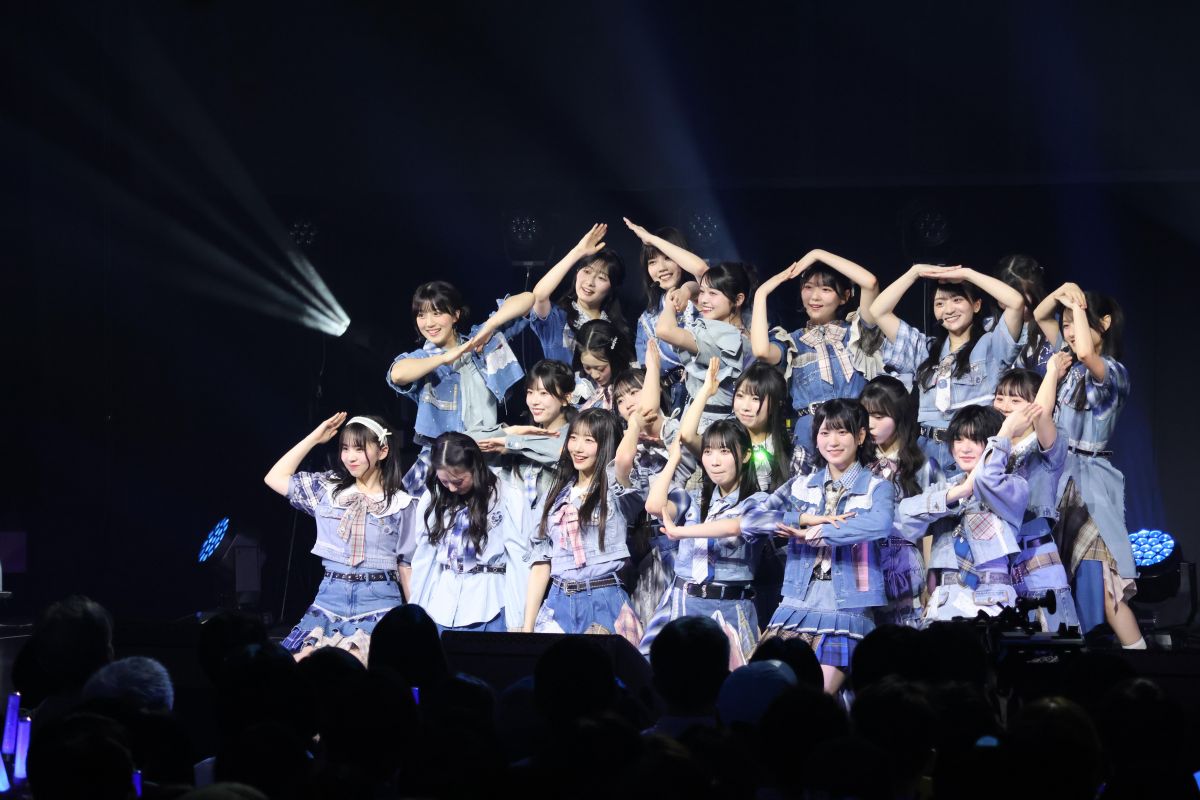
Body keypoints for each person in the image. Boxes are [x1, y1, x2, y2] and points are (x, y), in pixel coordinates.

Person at [1034, 284, 1142, 647]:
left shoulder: (1112, 372)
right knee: (1055, 581)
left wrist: (1078, 307)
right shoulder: (1066, 366)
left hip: (1090, 486)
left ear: (1104, 323)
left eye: (1075, 322)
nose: (1068, 331)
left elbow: (1084, 350)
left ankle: (1142, 665)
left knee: (1104, 585)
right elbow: (1039, 314)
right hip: (1055, 479)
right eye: (1065, 324)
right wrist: (1063, 292)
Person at [265, 413, 415, 663]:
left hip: (378, 602)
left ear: (383, 451)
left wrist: (416, 619)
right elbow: (274, 478)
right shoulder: (328, 490)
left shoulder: (402, 504)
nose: (350, 457)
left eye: (359, 448)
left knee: (360, 667)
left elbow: (406, 567)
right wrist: (314, 438)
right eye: (345, 448)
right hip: (329, 599)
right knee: (302, 663)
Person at [871, 264, 1025, 475]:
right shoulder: (924, 350)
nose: (949, 310)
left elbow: (1016, 302)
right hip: (926, 451)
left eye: (957, 300)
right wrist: (914, 272)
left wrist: (967, 274)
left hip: (971, 450)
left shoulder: (992, 346)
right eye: (940, 303)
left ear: (976, 305)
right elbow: (878, 311)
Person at [386, 281, 531, 495]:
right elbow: (397, 374)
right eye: (421, 315)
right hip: (443, 465)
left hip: (485, 455)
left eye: (437, 313)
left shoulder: (479, 342)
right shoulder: (424, 359)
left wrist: (489, 327)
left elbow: (528, 299)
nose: (429, 323)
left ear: (456, 315)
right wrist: (444, 359)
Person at [643, 419, 767, 668]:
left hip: (729, 605)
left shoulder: (758, 502)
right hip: (682, 601)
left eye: (725, 451)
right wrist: (673, 460)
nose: (714, 461)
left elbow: (733, 527)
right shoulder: (693, 498)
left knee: (728, 681)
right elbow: (654, 506)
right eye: (708, 452)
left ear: (745, 455)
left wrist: (681, 532)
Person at [896, 405, 1030, 626]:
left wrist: (1005, 432)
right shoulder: (945, 490)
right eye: (958, 440)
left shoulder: (1013, 486)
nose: (965, 448)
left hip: (992, 600)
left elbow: (987, 479)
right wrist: (959, 492)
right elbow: (903, 518)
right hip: (945, 603)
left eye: (975, 440)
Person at [523, 409, 646, 645]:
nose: (577, 448)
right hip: (557, 601)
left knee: (605, 668)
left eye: (589, 440)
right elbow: (541, 562)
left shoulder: (614, 492)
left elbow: (622, 461)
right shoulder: (557, 495)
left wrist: (634, 425)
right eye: (573, 438)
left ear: (606, 445)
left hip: (603, 599)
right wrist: (528, 627)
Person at [751, 249, 882, 467]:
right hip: (810, 431)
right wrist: (761, 293)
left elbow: (870, 283)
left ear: (845, 296)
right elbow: (761, 351)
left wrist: (817, 254)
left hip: (852, 426)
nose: (814, 297)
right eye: (808, 287)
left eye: (826, 289)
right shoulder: (792, 341)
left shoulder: (855, 334)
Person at [406, 433, 532, 633]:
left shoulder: (506, 497)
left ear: (475, 467)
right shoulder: (433, 498)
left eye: (458, 481)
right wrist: (416, 614)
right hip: (441, 606)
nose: (451, 488)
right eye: (445, 481)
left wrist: (518, 621)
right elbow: (424, 559)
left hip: (489, 605)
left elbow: (519, 561)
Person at [993, 364, 1081, 631]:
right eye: (999, 398)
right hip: (997, 562)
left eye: (1015, 400)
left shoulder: (1047, 444)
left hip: (1035, 559)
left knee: (1050, 641)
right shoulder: (992, 445)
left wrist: (1052, 371)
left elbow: (1042, 414)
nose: (1004, 406)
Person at [860, 375, 943, 627]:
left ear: (899, 416)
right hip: (862, 561)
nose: (870, 424)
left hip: (905, 565)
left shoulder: (922, 465)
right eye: (865, 415)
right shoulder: (857, 462)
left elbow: (931, 529)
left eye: (879, 416)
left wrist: (930, 579)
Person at [655, 261, 757, 434]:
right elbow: (694, 287)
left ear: (738, 299)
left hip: (707, 427)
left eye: (713, 293)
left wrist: (670, 303)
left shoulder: (723, 339)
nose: (703, 300)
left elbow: (664, 330)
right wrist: (685, 291)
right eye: (703, 292)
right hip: (716, 422)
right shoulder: (739, 332)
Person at [624, 218, 709, 415]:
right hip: (672, 404)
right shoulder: (647, 319)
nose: (661, 268)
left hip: (711, 394)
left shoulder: (705, 299)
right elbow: (645, 373)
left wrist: (651, 239)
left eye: (668, 258)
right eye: (652, 262)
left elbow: (701, 271)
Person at [477, 359, 574, 509]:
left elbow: (558, 451)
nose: (534, 401)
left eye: (543, 393)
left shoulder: (574, 437)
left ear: (566, 398)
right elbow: (465, 444)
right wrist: (511, 431)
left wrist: (512, 443)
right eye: (530, 392)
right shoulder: (521, 435)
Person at [527, 223, 629, 363]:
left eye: (601, 278)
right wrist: (578, 252)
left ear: (612, 287)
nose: (590, 282)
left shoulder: (616, 329)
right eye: (587, 271)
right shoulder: (557, 318)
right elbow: (539, 296)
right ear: (577, 273)